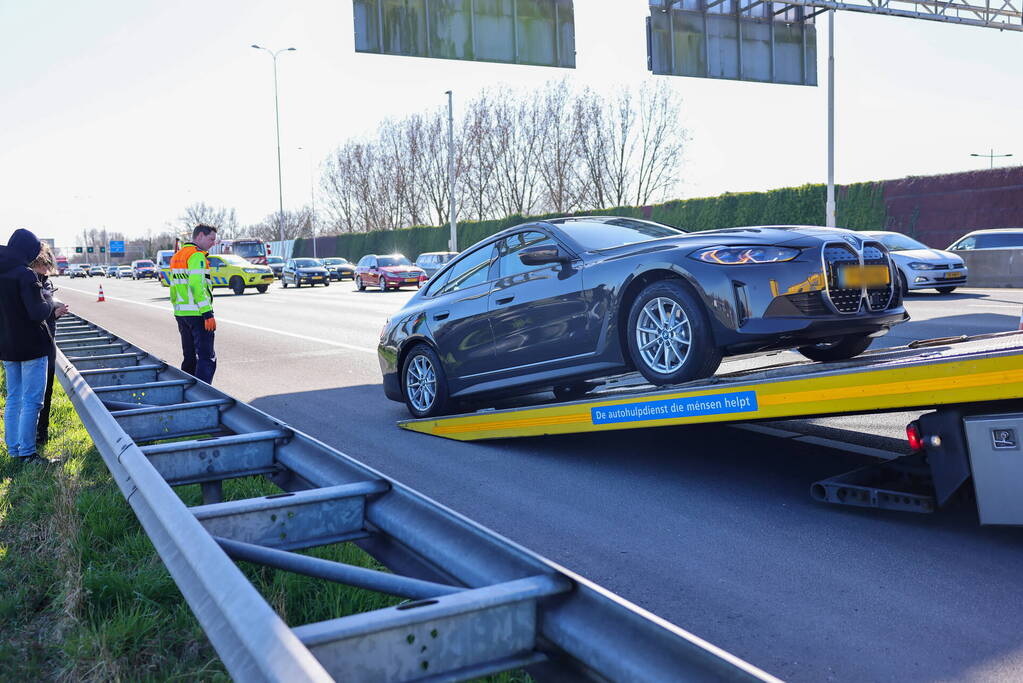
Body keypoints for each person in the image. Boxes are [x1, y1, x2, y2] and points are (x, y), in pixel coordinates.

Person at [0, 229, 65, 464]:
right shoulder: (26, 275)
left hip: (7, 346)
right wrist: (50, 305)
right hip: (32, 347)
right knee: (32, 401)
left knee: (14, 398)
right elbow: (37, 312)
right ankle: (28, 452)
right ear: (27, 250)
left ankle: (14, 450)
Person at [30, 243, 69, 444]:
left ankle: (41, 432)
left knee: (47, 390)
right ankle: (32, 435)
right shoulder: (28, 281)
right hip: (34, 344)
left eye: (47, 266)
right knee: (33, 395)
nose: (46, 271)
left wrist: (55, 312)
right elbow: (33, 315)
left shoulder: (44, 281)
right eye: (42, 266)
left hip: (48, 340)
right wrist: (53, 313)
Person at [170, 224, 218, 384]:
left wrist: (177, 310)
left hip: (181, 313)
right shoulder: (197, 256)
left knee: (189, 358)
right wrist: (207, 313)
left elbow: (174, 288)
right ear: (200, 237)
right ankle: (203, 396)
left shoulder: (177, 256)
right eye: (211, 239)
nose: (213, 243)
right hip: (198, 314)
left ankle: (187, 392)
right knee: (206, 358)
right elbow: (196, 286)